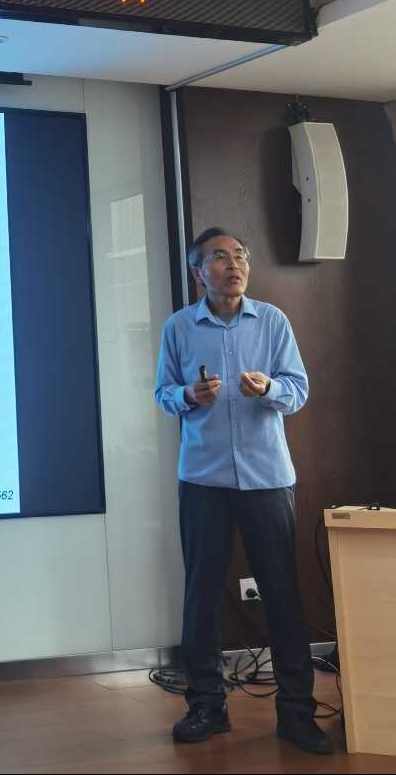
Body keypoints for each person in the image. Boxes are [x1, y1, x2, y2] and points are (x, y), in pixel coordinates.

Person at [154, 227, 331, 755]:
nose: (233, 264)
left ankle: (296, 713)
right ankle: (207, 706)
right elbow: (163, 393)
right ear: (198, 272)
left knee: (282, 594)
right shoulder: (179, 327)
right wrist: (189, 395)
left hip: (266, 478)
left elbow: (298, 389)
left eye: (240, 256)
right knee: (201, 596)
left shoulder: (272, 321)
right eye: (219, 257)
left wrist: (270, 388)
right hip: (203, 479)